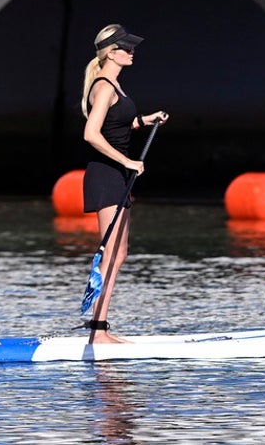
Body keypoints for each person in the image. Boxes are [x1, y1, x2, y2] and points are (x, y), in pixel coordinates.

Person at [80, 23, 169, 344]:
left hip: (116, 175)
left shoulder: (115, 87)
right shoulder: (104, 86)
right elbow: (91, 133)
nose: (131, 53)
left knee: (119, 254)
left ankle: (101, 329)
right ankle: (97, 334)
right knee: (111, 255)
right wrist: (127, 161)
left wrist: (145, 120)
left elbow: (120, 123)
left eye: (131, 48)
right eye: (126, 48)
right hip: (106, 175)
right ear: (111, 53)